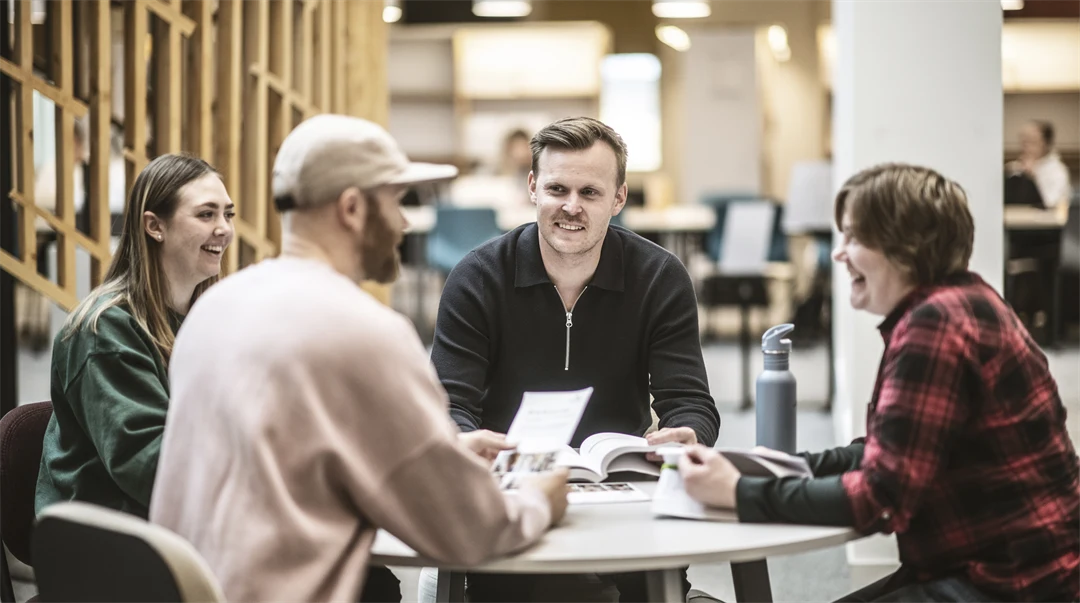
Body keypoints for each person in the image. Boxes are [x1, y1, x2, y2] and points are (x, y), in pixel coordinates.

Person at [149, 114, 569, 603]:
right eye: (395, 202)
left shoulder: (213, 310)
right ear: (352, 208)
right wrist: (538, 500)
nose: (404, 222)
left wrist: (441, 451)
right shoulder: (366, 332)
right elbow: (471, 531)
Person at [678, 164, 1080, 603]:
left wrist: (739, 493)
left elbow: (882, 496)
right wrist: (778, 466)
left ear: (905, 247)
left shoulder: (936, 325)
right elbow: (885, 450)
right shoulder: (961, 301)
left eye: (854, 238)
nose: (838, 253)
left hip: (1011, 583)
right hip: (1004, 565)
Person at [431, 116, 721, 602]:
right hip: (511, 494)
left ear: (619, 198)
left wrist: (689, 433)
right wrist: (464, 442)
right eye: (557, 189)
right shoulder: (477, 277)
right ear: (532, 187)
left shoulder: (659, 277)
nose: (571, 206)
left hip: (624, 492)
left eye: (589, 192)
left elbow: (690, 401)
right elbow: (448, 404)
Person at [36, 153, 235, 518]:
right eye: (206, 214)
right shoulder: (104, 329)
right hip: (107, 534)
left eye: (228, 214)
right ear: (154, 226)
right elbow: (150, 467)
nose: (224, 229)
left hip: (175, 521)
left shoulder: (206, 321)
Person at [1007, 120, 1073, 209]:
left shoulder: (1057, 171)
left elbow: (1050, 204)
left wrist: (1031, 177)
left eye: (1031, 141)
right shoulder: (1014, 168)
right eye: (1023, 141)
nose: (1025, 146)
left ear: (1045, 144)